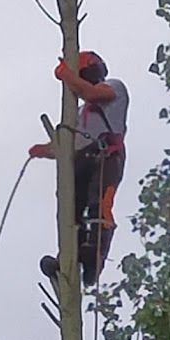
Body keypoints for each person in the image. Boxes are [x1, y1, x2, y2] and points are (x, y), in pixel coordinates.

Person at [29, 50, 129, 287]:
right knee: (72, 209)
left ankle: (94, 258)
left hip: (106, 155)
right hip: (81, 160)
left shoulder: (114, 88)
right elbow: (63, 147)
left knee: (99, 205)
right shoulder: (80, 113)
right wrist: (42, 150)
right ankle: (67, 258)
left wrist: (66, 76)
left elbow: (91, 93)